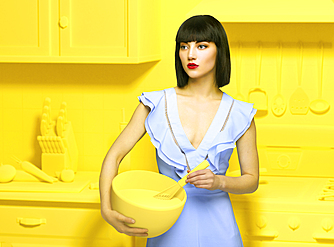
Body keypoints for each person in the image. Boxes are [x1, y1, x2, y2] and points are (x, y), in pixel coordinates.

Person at [99, 15, 259, 247]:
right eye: (184, 46)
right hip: (167, 224)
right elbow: (114, 156)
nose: (190, 54)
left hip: (220, 229)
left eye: (201, 46)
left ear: (219, 51)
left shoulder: (240, 113)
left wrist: (219, 182)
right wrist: (106, 208)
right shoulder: (153, 104)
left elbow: (251, 180)